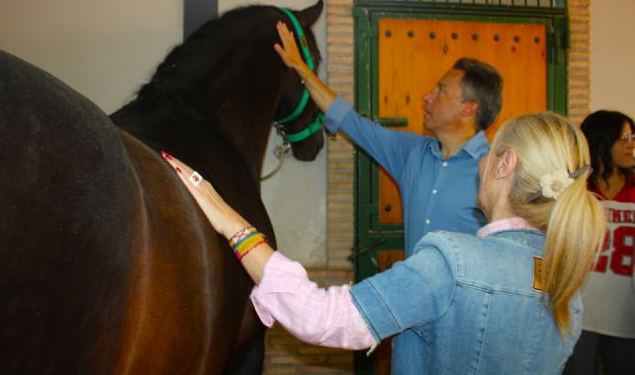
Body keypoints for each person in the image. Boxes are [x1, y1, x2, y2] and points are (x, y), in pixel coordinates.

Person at [162, 111, 605, 374]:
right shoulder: (567, 281)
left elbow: (322, 318)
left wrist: (232, 224)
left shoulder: (453, 262)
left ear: (506, 163)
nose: (482, 162)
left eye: (493, 153)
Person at [273, 21, 503, 257]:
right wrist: (301, 69)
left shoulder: (498, 172)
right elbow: (348, 120)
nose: (427, 97)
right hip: (415, 292)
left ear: (469, 109)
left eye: (441, 91)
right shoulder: (411, 152)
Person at [564, 110, 635, 375]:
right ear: (601, 140)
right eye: (623, 137)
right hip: (579, 317)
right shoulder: (576, 188)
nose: (631, 143)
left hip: (626, 318)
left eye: (632, 136)